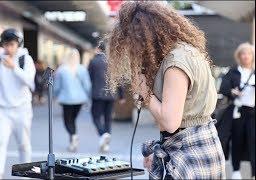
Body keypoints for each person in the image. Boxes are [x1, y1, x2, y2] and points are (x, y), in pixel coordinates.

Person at [106, 1, 225, 179]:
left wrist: (144, 91)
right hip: (198, 148)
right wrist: (158, 155)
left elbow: (170, 122)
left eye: (133, 43)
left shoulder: (175, 63)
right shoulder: (184, 52)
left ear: (145, 36)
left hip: (191, 156)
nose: (134, 51)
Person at [0, 28, 36, 179]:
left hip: (22, 110)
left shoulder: (26, 59)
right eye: (5, 45)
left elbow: (31, 83)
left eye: (11, 44)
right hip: (2, 110)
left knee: (24, 145)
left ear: (18, 44)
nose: (8, 48)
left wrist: (14, 68)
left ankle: (27, 173)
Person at [219, 42, 255, 179]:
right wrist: (232, 91)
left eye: (249, 53)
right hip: (238, 112)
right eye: (243, 54)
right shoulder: (233, 71)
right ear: (239, 56)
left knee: (253, 141)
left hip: (253, 112)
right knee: (237, 140)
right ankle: (236, 171)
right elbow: (223, 88)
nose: (246, 56)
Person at [88, 40, 124, 152]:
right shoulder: (113, 62)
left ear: (98, 49)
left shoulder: (93, 61)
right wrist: (122, 96)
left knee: (96, 117)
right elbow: (119, 80)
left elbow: (89, 78)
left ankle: (103, 134)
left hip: (97, 95)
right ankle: (106, 143)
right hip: (111, 94)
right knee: (108, 119)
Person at [54, 49, 91, 152]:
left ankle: (73, 136)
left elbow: (56, 86)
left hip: (66, 100)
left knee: (67, 121)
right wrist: (87, 97)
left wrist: (55, 96)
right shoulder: (82, 69)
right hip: (80, 100)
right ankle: (73, 140)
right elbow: (87, 85)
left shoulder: (61, 70)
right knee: (73, 120)